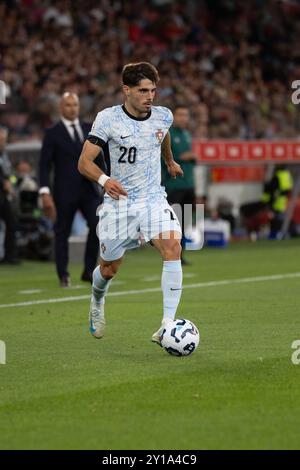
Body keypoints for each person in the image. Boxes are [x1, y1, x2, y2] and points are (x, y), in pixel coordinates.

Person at [78, 62, 184, 343]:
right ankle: (97, 300)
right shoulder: (108, 119)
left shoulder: (163, 116)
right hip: (119, 204)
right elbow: (84, 162)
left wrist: (169, 160)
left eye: (153, 90)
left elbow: (163, 135)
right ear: (126, 90)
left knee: (173, 246)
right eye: (143, 90)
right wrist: (104, 181)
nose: (150, 96)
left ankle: (167, 324)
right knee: (109, 269)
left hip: (153, 198)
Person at [39, 92, 105, 287]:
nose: (72, 108)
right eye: (68, 105)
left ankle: (87, 270)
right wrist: (44, 192)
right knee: (62, 233)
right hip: (64, 192)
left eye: (74, 105)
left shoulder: (88, 129)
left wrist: (106, 181)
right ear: (61, 107)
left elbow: (99, 159)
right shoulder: (52, 133)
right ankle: (63, 275)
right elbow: (44, 165)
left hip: (88, 189)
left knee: (97, 226)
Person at [161, 105, 197, 265]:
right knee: (173, 222)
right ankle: (170, 253)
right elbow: (167, 157)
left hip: (188, 184)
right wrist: (185, 156)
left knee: (185, 222)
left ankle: (180, 255)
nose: (184, 118)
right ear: (173, 116)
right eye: (180, 114)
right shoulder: (168, 134)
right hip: (174, 185)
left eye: (186, 115)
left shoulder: (186, 134)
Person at [0, 126, 19, 264]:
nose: (3, 142)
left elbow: (8, 173)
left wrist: (10, 183)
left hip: (4, 194)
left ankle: (9, 256)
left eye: (4, 139)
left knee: (11, 223)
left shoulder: (4, 155)